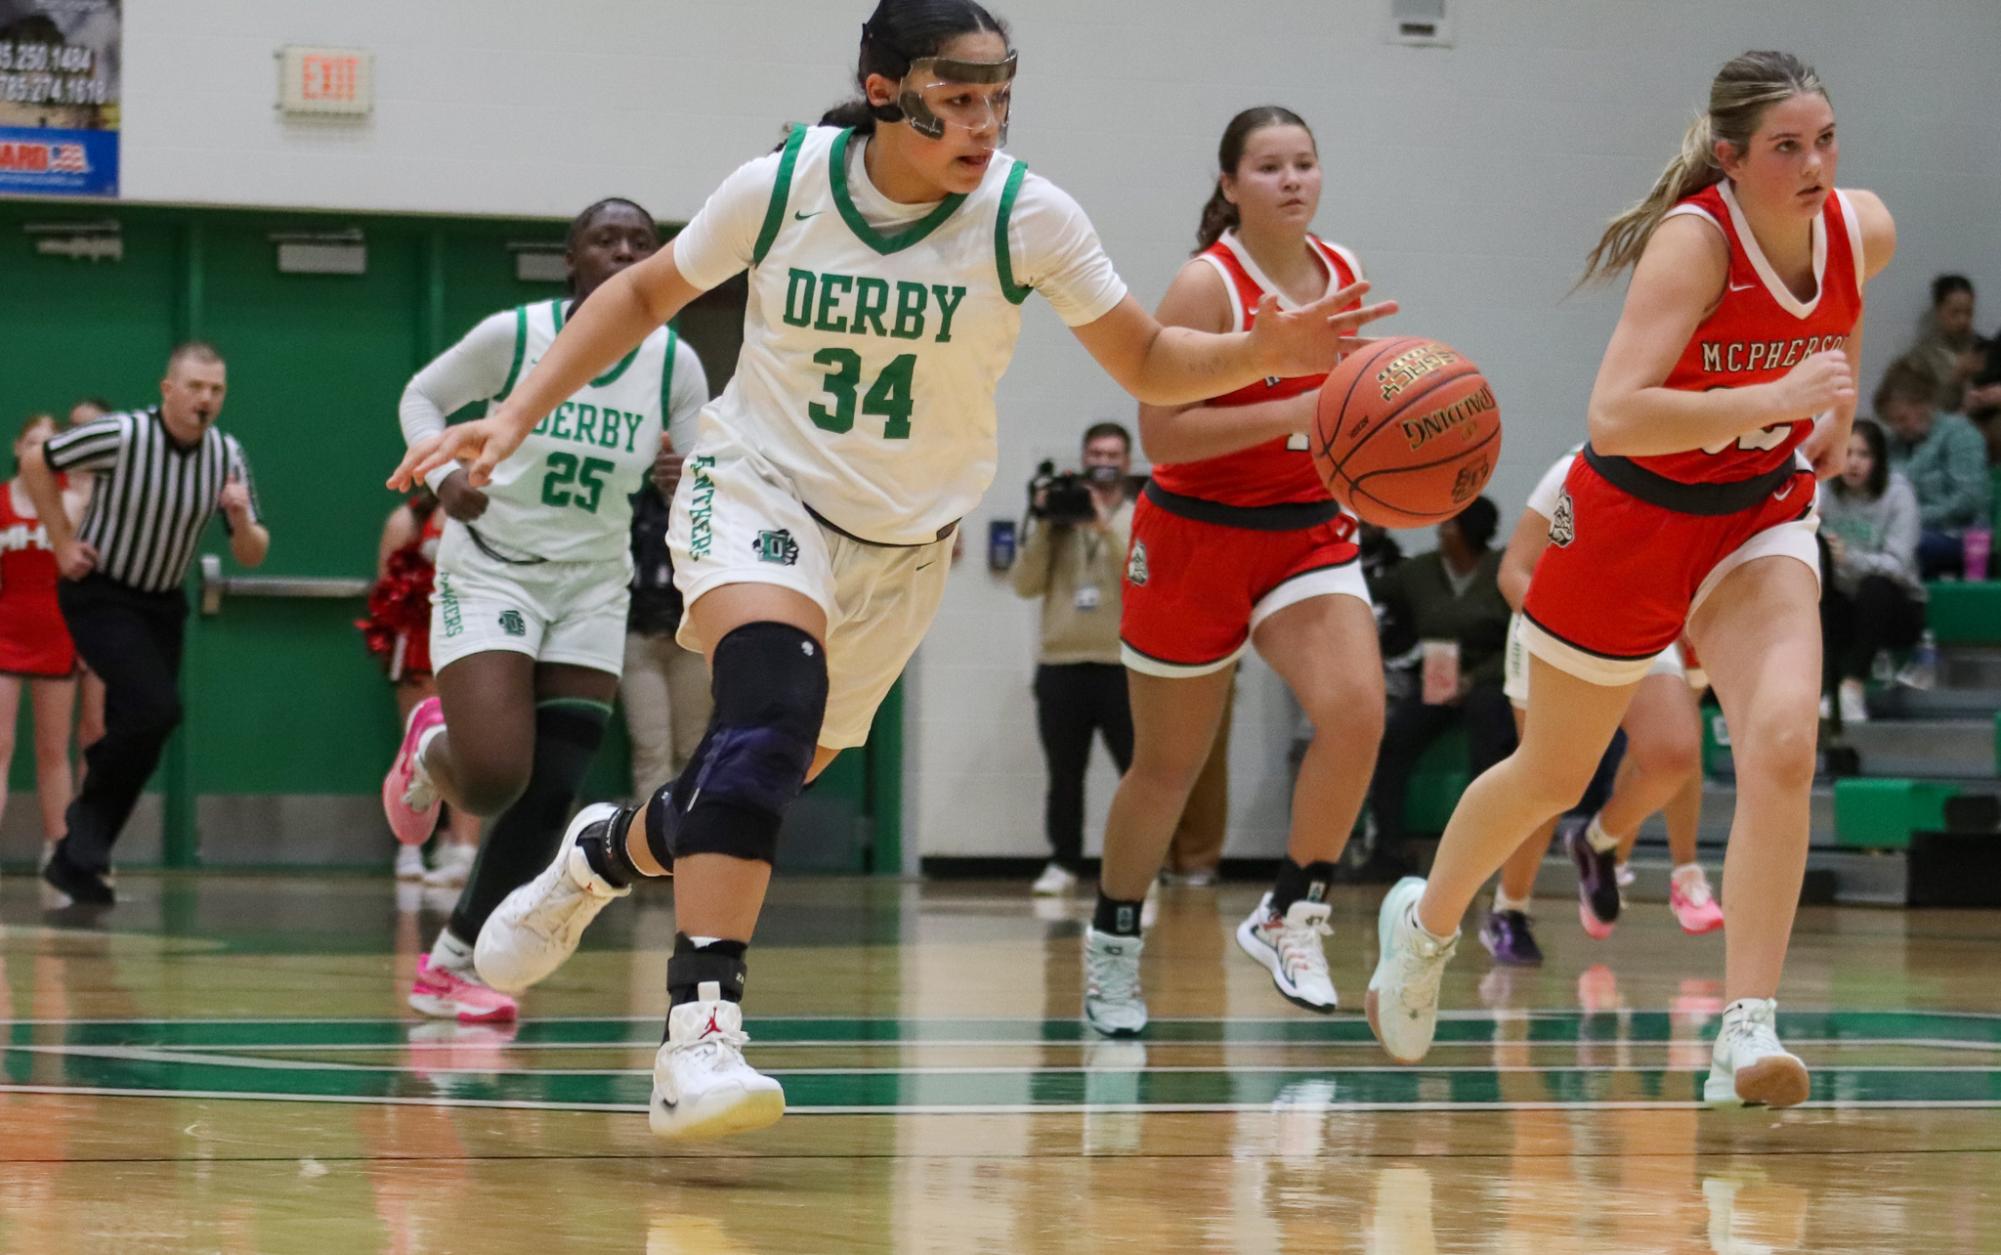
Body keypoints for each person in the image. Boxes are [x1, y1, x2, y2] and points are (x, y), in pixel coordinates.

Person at [391, 0, 1392, 1142]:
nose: (983, 124)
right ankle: (700, 1036)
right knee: (767, 712)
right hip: (758, 488)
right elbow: (643, 293)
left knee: (754, 778)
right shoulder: (787, 183)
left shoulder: (1030, 214)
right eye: (957, 100)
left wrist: (1267, 351)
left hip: (902, 548)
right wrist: (517, 413)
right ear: (884, 94)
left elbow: (1149, 359)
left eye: (998, 98)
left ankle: (604, 851)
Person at [1364, 50, 1894, 1113]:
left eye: (1826, 138)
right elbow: (1617, 413)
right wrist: (1773, 396)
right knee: (1552, 776)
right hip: (1629, 523)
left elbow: (1840, 318)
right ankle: (1423, 927)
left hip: (1755, 518)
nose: (1815, 163)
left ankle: (1746, 1026)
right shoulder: (1692, 244)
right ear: (1731, 158)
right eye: (1787, 146)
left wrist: (1825, 417)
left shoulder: (1861, 225)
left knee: (1783, 742)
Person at [1081, 105, 1387, 1033]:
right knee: (1166, 769)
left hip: (1304, 532)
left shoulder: (1343, 274)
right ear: (1229, 186)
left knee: (1357, 711)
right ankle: (1113, 945)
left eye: (1305, 162)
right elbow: (1161, 433)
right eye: (1268, 166)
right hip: (1193, 533)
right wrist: (1290, 415)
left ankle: (1290, 908)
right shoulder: (1205, 287)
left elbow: (1350, 405)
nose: (1292, 179)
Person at [381, 196, 710, 1024]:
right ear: (572, 259)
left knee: (554, 783)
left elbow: (703, 465)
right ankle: (432, 745)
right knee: (493, 777)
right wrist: (438, 477)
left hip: (593, 581)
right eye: (606, 239)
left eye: (640, 242)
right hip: (493, 568)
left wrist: (688, 479)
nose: (624, 251)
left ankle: (452, 963)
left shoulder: (673, 361)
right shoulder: (516, 336)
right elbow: (421, 398)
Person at [26, 342, 272, 906]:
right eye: (195, 387)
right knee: (156, 708)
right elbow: (39, 462)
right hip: (101, 593)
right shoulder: (121, 434)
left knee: (143, 727)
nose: (205, 399)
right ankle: (83, 834)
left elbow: (253, 551)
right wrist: (61, 542)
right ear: (168, 389)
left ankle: (80, 860)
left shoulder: (226, 454)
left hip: (162, 604)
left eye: (216, 390)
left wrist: (238, 518)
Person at [1480, 448, 1721, 969]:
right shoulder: (1573, 468)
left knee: (1674, 754)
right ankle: (1509, 909)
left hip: (1637, 622)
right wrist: (1568, 632)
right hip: (1552, 626)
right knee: (1547, 783)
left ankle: (1597, 840)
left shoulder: (1701, 475)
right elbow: (1513, 572)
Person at [1010, 421, 1135, 896]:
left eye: (1113, 453)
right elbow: (1024, 585)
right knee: (1064, 773)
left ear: (1126, 461)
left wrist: (1104, 527)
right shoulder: (1059, 520)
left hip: (1120, 664)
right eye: (1096, 452)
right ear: (1085, 457)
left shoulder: (1136, 513)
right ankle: (1063, 861)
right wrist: (1045, 524)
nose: (1104, 460)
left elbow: (1147, 576)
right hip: (1061, 664)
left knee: (1135, 770)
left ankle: (1138, 865)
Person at [1366, 496, 1514, 858]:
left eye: (1448, 524)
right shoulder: (1419, 571)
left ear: (1465, 532)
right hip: (1437, 680)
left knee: (1489, 731)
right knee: (1394, 739)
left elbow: (1516, 642)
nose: (1439, 530)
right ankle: (1387, 850)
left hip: (1490, 681)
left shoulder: (1504, 570)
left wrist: (1475, 678)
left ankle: (1481, 847)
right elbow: (1368, 591)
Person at [359, 490, 484, 884]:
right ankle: (411, 844)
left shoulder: (491, 512)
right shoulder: (405, 522)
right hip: (418, 641)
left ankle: (463, 848)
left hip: (471, 639)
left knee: (471, 743)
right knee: (418, 743)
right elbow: (384, 593)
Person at [0, 416, 81, 875]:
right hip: (5, 631)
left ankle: (59, 850)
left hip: (57, 630)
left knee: (54, 749)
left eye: (49, 445)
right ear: (17, 447)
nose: (39, 452)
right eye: (32, 443)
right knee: (0, 744)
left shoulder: (71, 500)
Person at [1819, 418, 1924, 723]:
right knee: (1818, 594)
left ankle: (1852, 690)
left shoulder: (1898, 494)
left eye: (1863, 455)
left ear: (1878, 460)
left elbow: (1899, 567)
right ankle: (1825, 691)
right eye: (1847, 453)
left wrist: (1850, 559)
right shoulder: (1824, 489)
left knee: (1874, 587)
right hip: (1844, 600)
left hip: (1897, 606)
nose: (1853, 463)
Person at [622, 462, 713, 806]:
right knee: (650, 746)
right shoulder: (634, 506)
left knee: (692, 746)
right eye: (663, 459)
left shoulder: (714, 506)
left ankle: (688, 839)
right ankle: (649, 845)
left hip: (691, 638)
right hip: (640, 638)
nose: (670, 467)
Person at [1876, 356, 1990, 579]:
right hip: (1906, 531)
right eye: (1892, 422)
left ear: (1924, 405)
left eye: (1902, 418)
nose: (1898, 428)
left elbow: (1968, 500)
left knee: (1904, 547)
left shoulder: (1961, 435)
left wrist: (1909, 519)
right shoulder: (1893, 445)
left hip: (1959, 535)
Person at [63, 398, 109, 779]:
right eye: (75, 426)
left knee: (94, 728)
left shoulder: (119, 487)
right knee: (52, 734)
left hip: (100, 615)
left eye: (92, 426)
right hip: (51, 614)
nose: (82, 434)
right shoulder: (50, 483)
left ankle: (89, 829)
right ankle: (55, 831)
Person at [1903, 275, 1978, 414]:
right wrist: (1956, 378)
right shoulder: (1921, 358)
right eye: (1955, 313)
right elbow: (1921, 410)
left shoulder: (1983, 348)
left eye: (1968, 312)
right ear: (1938, 311)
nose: (1963, 320)